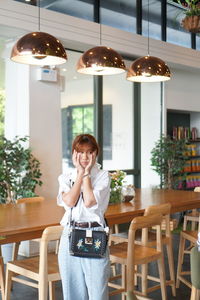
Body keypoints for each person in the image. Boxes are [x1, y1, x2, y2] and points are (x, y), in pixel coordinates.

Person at [57, 134, 111, 300]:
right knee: (72, 293)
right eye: (81, 152)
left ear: (96, 153)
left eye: (89, 152)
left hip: (95, 235)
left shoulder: (103, 176)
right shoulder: (66, 177)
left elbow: (89, 202)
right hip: (70, 234)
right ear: (74, 154)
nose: (85, 157)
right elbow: (70, 201)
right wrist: (80, 174)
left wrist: (86, 174)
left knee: (97, 293)